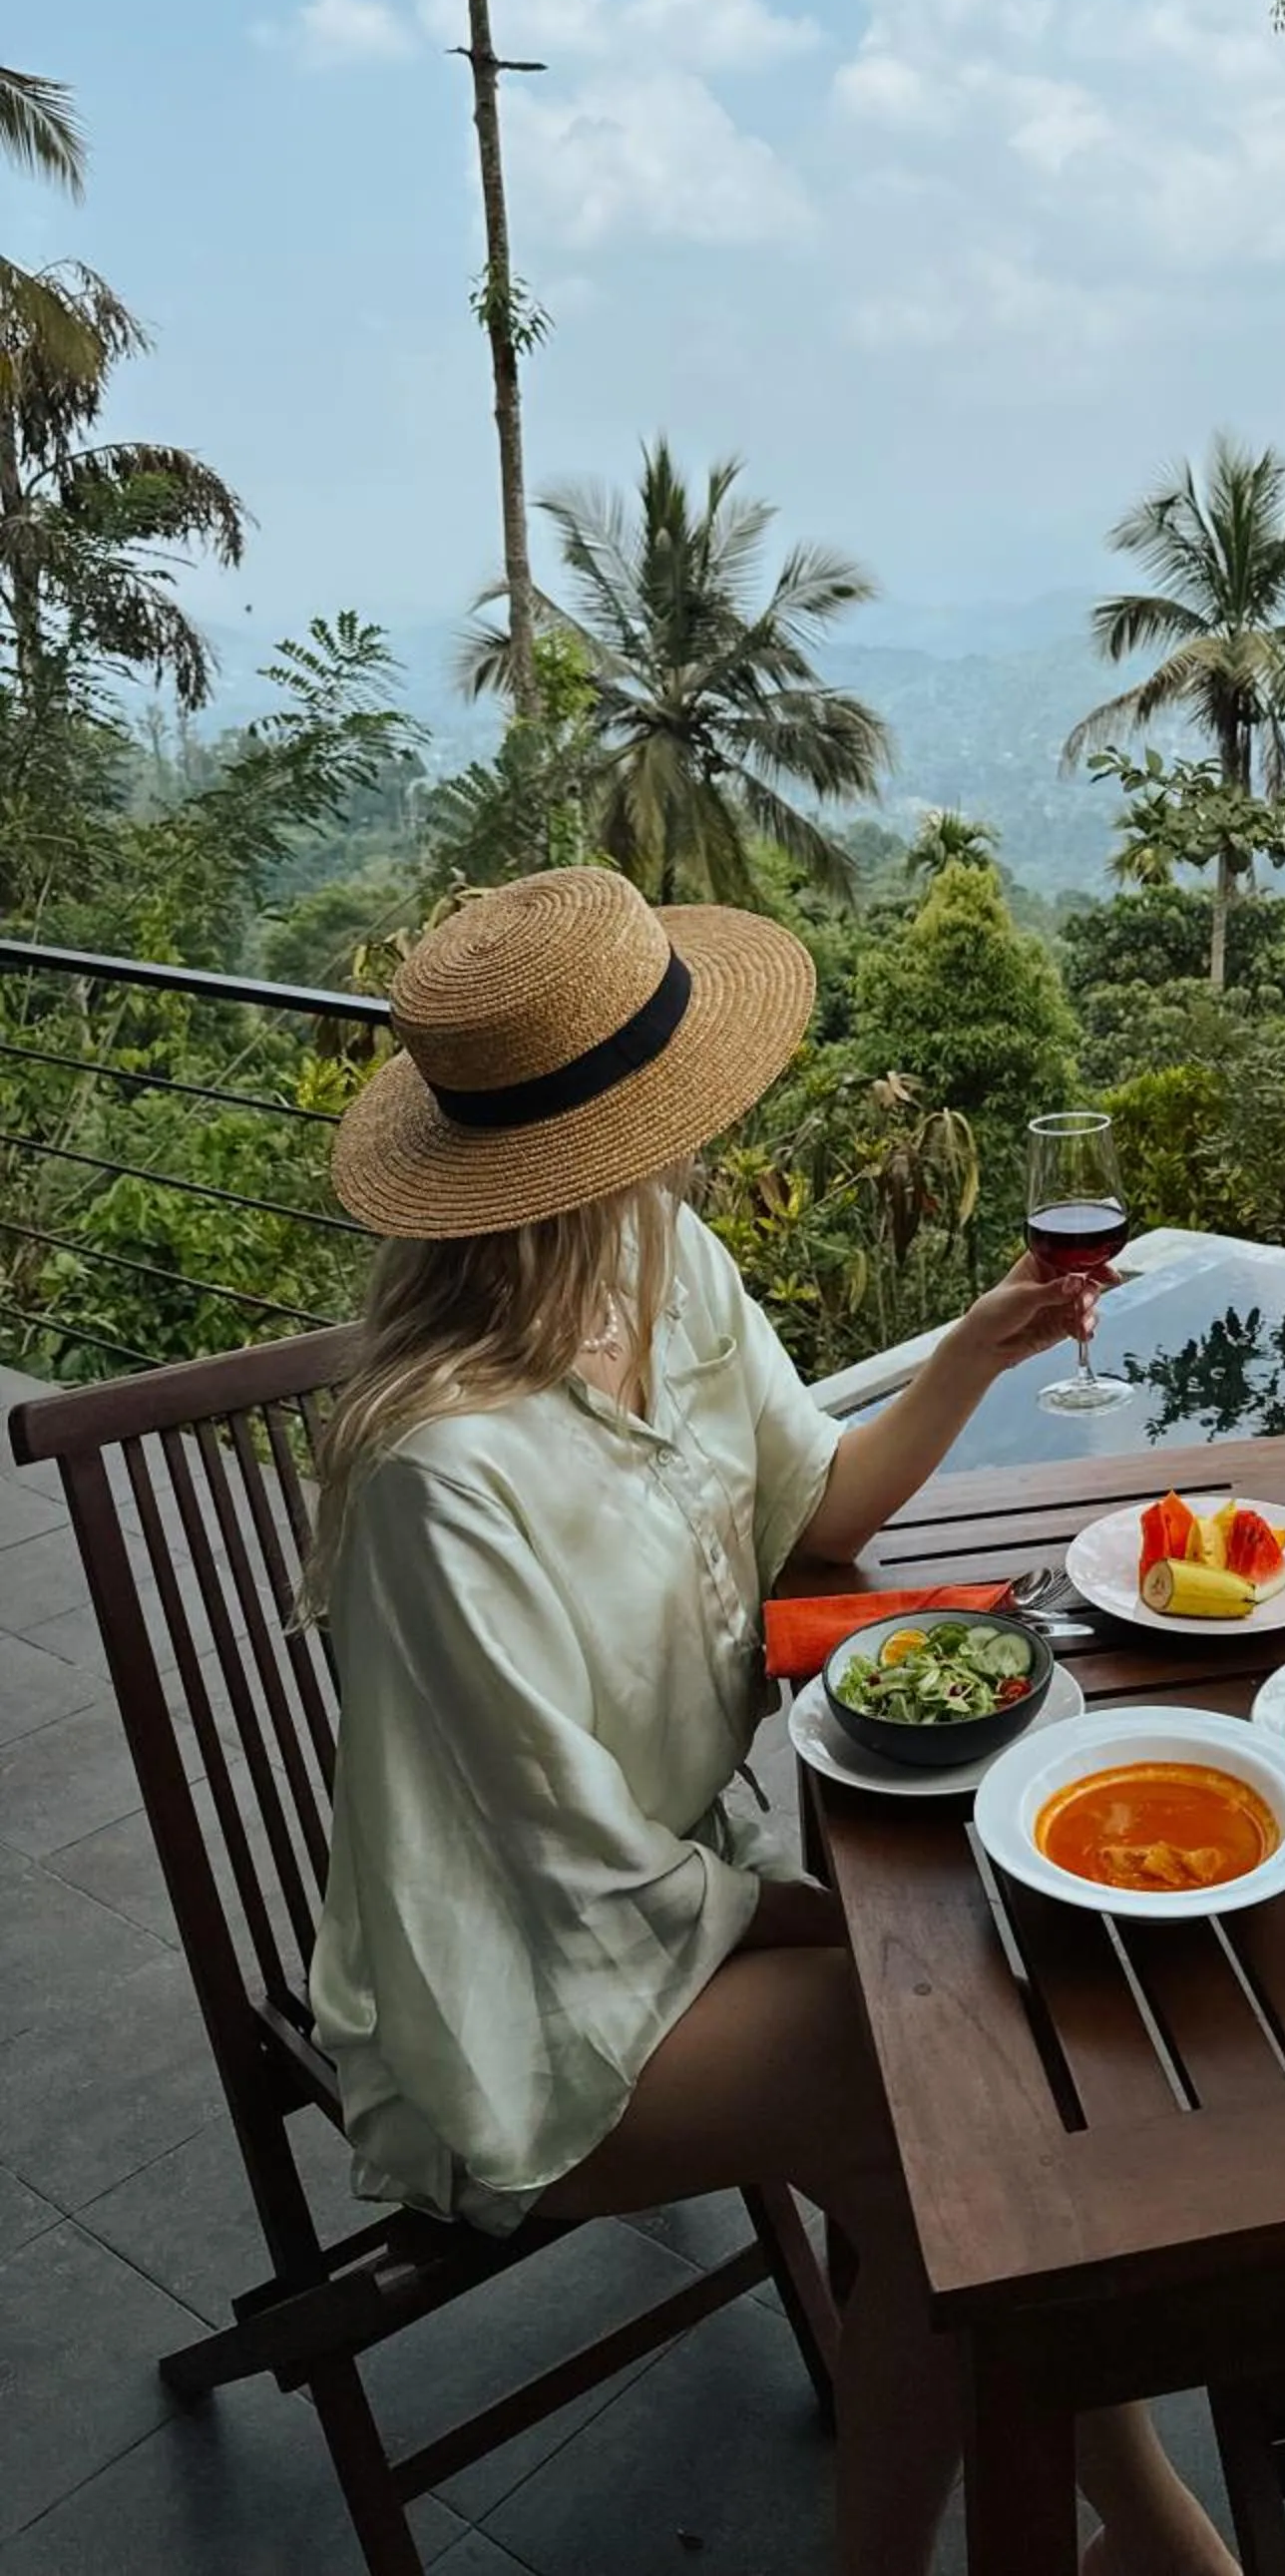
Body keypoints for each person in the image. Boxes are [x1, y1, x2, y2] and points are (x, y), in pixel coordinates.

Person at [304, 867, 1235, 2576]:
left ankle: (1129, 2548)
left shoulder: (667, 1260)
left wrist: (971, 1353)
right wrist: (826, 1925)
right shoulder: (443, 1475)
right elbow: (562, 1875)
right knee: (956, 2121)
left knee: (986, 2029)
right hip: (530, 1990)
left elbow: (815, 1508)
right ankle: (1141, 2548)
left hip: (686, 1893)